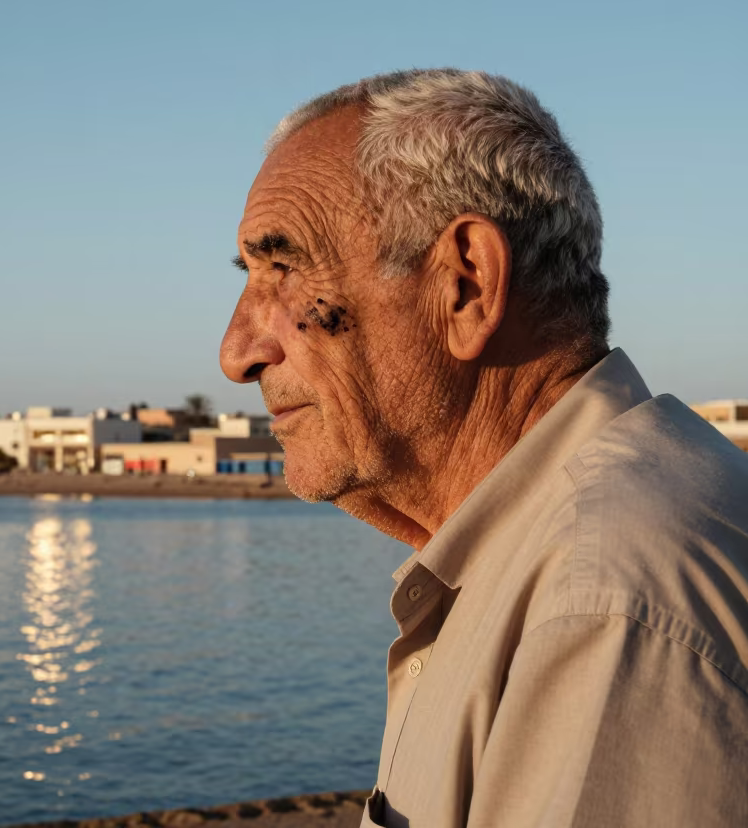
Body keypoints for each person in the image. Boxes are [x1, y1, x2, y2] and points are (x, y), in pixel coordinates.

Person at [219, 69, 748, 827]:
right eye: (249, 277)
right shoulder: (550, 556)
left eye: (285, 269)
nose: (237, 353)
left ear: (465, 286)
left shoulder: (604, 601)